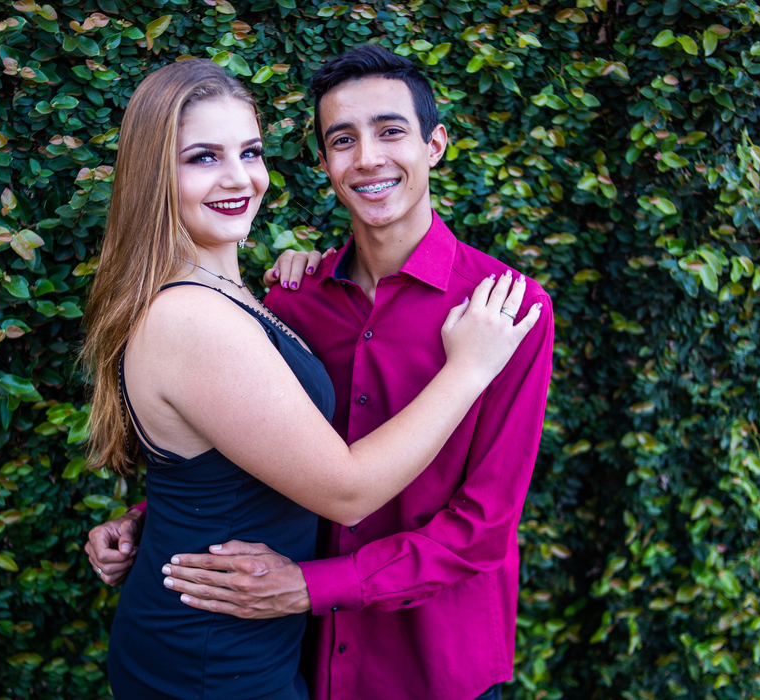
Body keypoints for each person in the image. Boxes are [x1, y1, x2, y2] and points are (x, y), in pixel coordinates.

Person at [87, 47, 556, 700]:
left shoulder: (506, 312)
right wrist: (158, 516)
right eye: (343, 140)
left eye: (390, 131)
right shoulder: (292, 298)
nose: (367, 158)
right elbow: (258, 451)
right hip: (295, 654)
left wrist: (313, 587)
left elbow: (483, 527)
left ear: (434, 145)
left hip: (427, 663)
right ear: (323, 162)